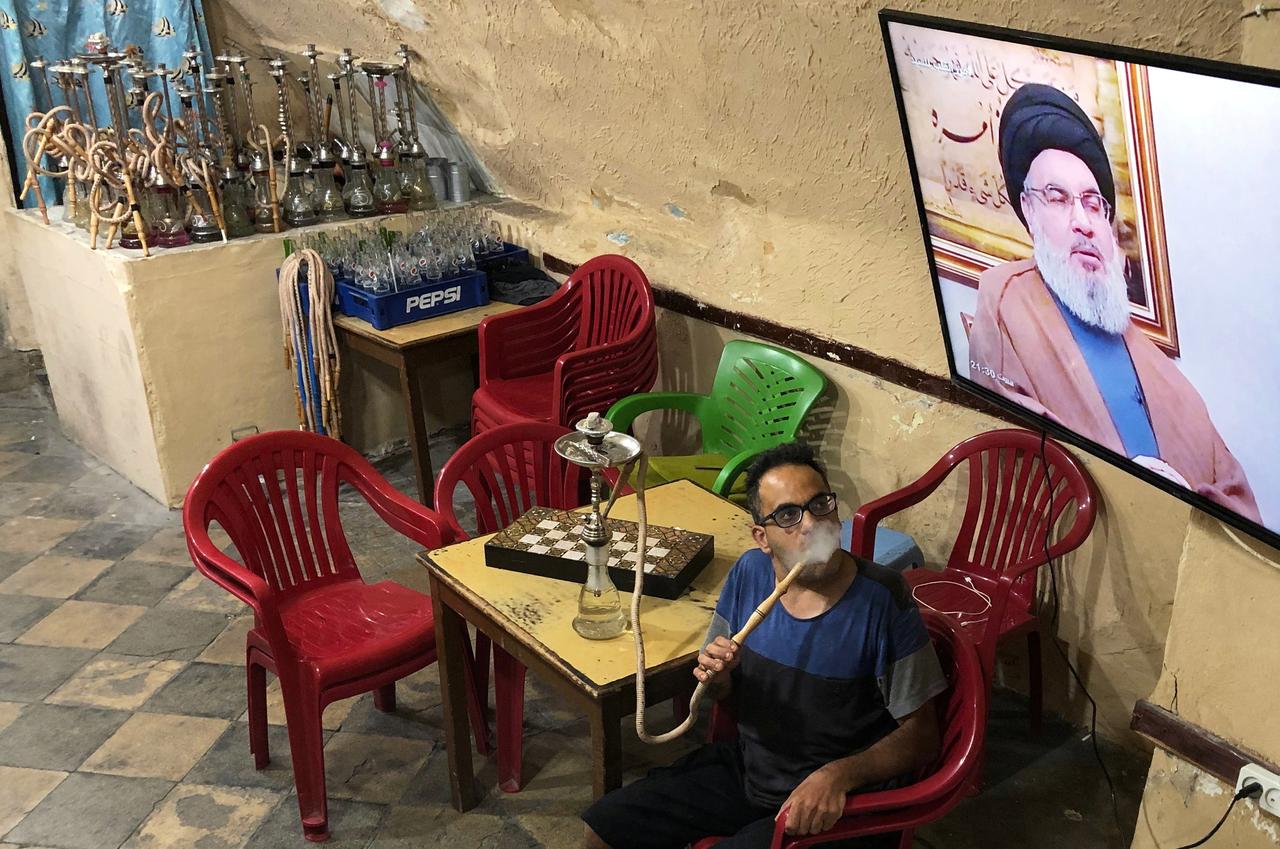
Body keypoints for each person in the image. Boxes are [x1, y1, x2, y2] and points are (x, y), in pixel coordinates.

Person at [581, 443, 946, 849]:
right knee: (604, 827)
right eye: (788, 516)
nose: (811, 525)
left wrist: (838, 775)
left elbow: (923, 737)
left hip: (837, 802)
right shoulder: (749, 573)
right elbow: (724, 695)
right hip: (752, 769)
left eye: (820, 505)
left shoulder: (882, 597)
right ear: (762, 537)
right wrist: (719, 679)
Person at [966, 83, 1261, 522]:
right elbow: (1016, 453)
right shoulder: (1005, 301)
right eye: (1058, 198)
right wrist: (1129, 482)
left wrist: (1182, 499)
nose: (1082, 222)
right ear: (1028, 209)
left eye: (1092, 203)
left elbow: (1234, 494)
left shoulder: (1157, 365)